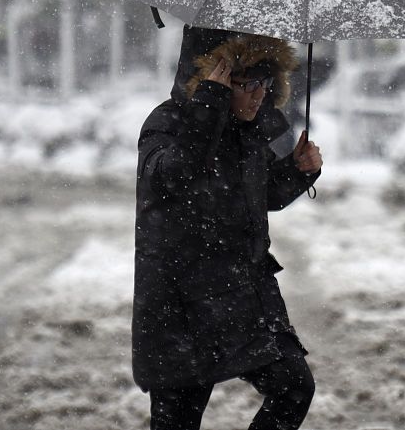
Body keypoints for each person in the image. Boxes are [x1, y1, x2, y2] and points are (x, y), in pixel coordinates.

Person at [133, 26, 323, 430]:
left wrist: (296, 171)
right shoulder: (167, 122)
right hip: (181, 304)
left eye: (266, 82)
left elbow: (256, 195)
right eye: (247, 83)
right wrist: (210, 107)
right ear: (212, 77)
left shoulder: (247, 129)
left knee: (293, 387)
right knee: (176, 421)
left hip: (241, 296)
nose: (259, 94)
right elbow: (174, 177)